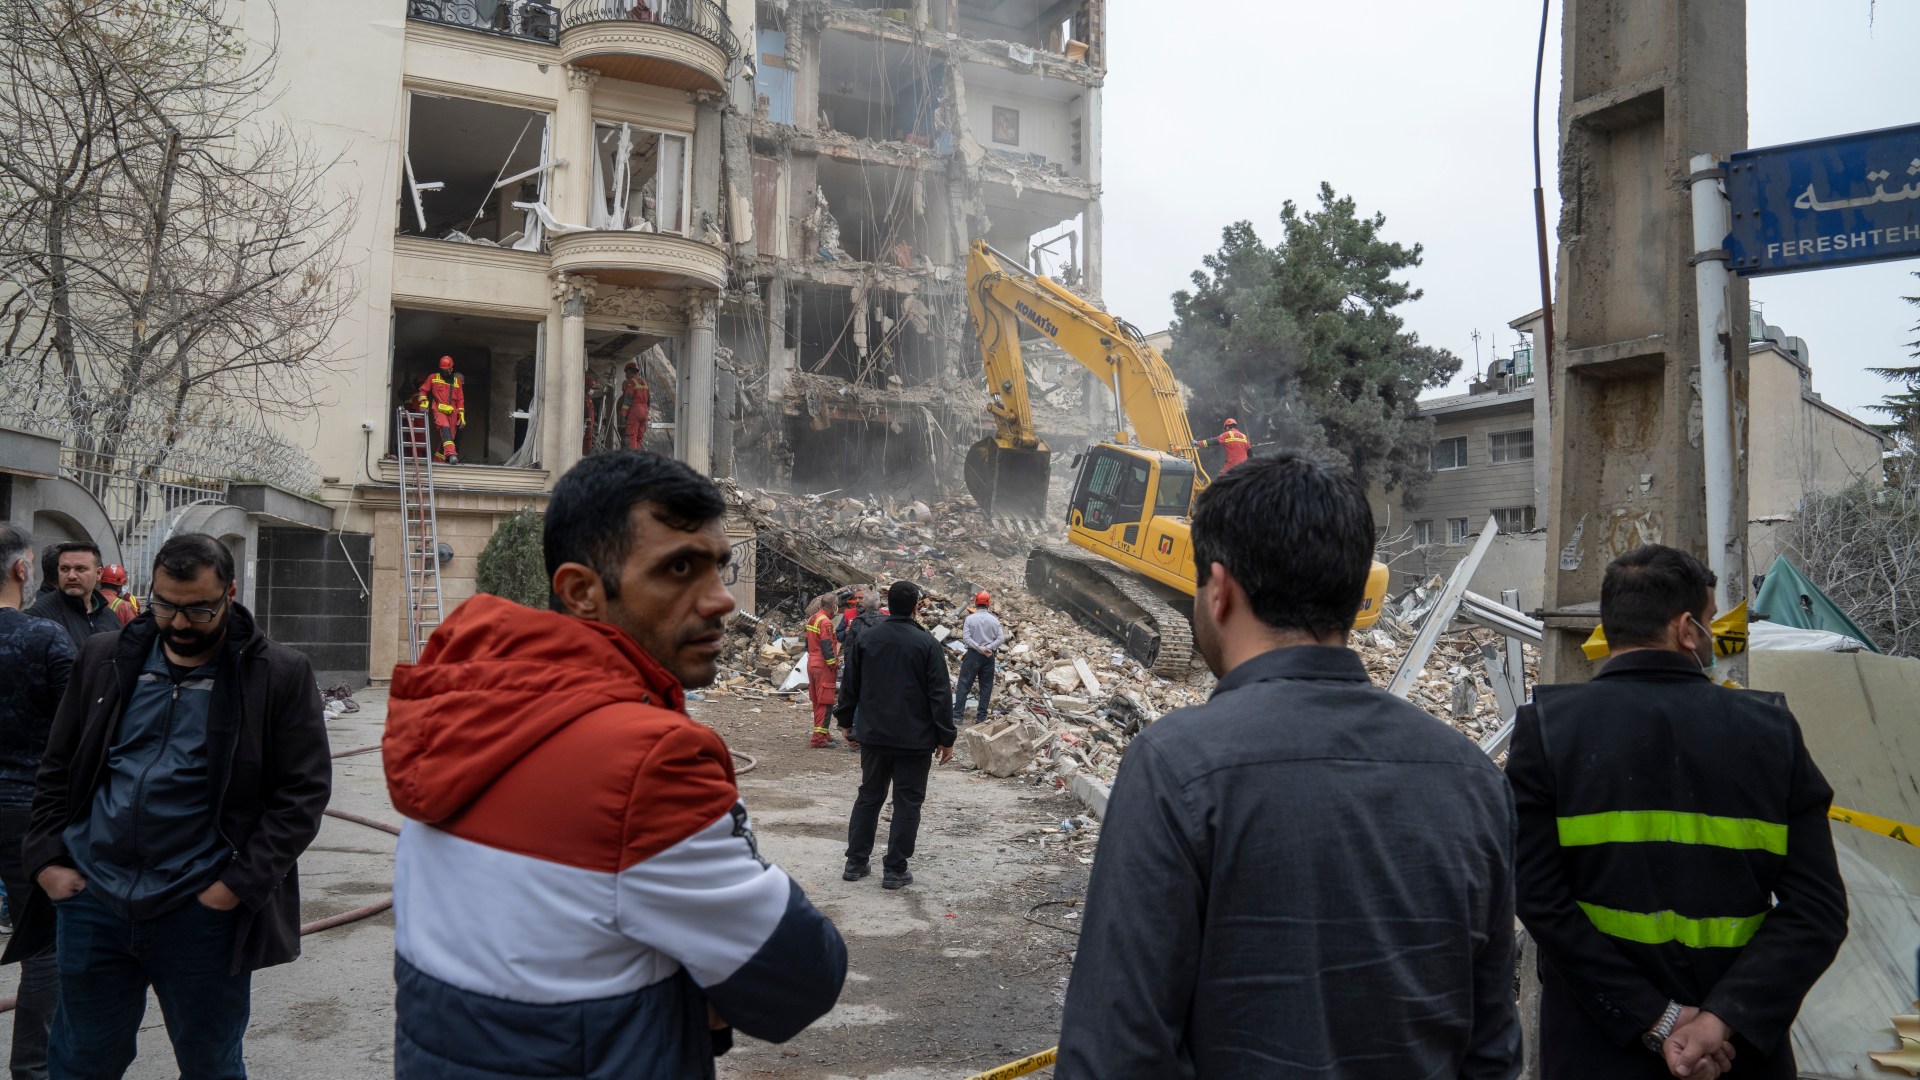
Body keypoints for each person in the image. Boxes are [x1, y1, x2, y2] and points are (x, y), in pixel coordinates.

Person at [384, 451, 847, 1078]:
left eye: (719, 567)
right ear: (581, 591)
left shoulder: (470, 710)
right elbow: (800, 980)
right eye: (678, 568)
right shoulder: (648, 763)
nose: (721, 601)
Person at [1055, 453, 1518, 1079]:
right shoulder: (1474, 780)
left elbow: (1114, 1052)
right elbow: (1491, 1050)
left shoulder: (1176, 766)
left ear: (1220, 590)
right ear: (1353, 595)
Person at [1508, 544, 1848, 1080]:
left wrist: (1657, 1016)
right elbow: (1818, 908)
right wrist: (1721, 1020)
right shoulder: (1771, 732)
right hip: (1737, 1056)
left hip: (1597, 1051)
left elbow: (1538, 900)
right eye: (1712, 620)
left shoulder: (1547, 731)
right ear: (1687, 629)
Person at [8, 533, 332, 1079]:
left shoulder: (277, 673)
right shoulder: (104, 656)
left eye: (198, 609)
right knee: (80, 1062)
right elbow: (59, 765)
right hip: (95, 904)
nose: (179, 623)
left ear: (230, 593)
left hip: (200, 912)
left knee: (210, 1065)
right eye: (165, 605)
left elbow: (303, 794)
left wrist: (235, 887)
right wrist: (47, 861)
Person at [0, 523, 73, 1078]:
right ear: (24, 569)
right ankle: (31, 1070)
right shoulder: (44, 637)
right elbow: (81, 724)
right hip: (25, 808)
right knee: (44, 947)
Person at [834, 580, 955, 891]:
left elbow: (850, 684)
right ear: (915, 607)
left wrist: (845, 721)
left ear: (889, 605)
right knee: (907, 803)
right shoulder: (926, 643)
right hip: (915, 740)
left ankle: (856, 862)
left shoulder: (867, 638)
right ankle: (895, 869)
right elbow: (940, 695)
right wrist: (946, 737)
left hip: (874, 736)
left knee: (869, 796)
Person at [26, 540, 120, 650]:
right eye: (64, 569)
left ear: (98, 574)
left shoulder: (110, 618)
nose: (71, 576)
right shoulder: (38, 615)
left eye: (80, 569)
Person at [953, 590, 1004, 726]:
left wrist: (979, 648)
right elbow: (1001, 638)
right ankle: (981, 717)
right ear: (989, 603)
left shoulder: (970, 619)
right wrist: (988, 647)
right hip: (988, 656)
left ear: (976, 602)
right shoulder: (994, 620)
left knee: (964, 684)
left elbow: (966, 638)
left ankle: (957, 716)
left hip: (973, 655)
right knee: (986, 687)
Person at [416, 355, 466, 463]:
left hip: (453, 412)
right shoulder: (433, 378)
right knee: (445, 428)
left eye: (447, 370)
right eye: (443, 370)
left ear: (451, 369)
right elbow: (423, 391)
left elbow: (460, 401)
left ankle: (438, 460)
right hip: (439, 409)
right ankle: (452, 454)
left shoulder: (457, 383)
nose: (445, 372)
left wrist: (461, 416)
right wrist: (424, 402)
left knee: (449, 438)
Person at [804, 596, 839, 749]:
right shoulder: (826, 622)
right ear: (832, 606)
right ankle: (818, 738)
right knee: (825, 701)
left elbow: (808, 642)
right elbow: (826, 646)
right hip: (823, 665)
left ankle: (824, 734)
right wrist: (833, 665)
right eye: (836, 605)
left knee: (817, 700)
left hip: (812, 661)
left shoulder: (813, 618)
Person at [620, 361, 651, 450]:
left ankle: (632, 456)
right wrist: (647, 412)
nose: (626, 375)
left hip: (635, 411)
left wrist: (623, 414)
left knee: (631, 436)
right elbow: (649, 400)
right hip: (644, 410)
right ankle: (638, 456)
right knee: (639, 438)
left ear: (629, 371)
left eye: (626, 373)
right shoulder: (644, 383)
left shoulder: (631, 382)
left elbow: (627, 400)